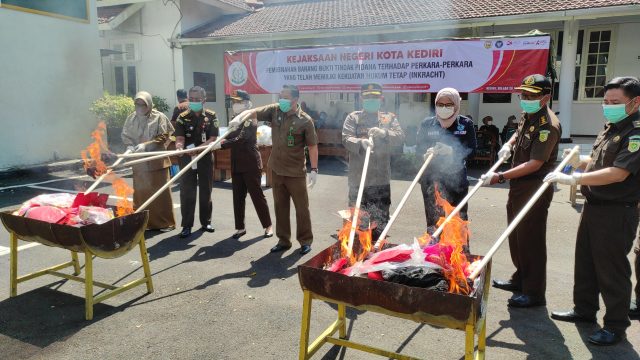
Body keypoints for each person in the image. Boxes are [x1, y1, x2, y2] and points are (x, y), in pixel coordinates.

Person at [546, 76, 640, 345]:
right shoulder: (612, 127)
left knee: (612, 271)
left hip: (616, 212)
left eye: (615, 102)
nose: (608, 106)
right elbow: (599, 161)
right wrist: (575, 162)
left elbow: (618, 173)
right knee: (585, 263)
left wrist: (574, 179)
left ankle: (615, 326)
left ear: (635, 102)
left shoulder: (636, 132)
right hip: (594, 207)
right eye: (606, 101)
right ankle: (584, 311)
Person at [482, 74, 561, 308]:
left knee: (531, 240)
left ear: (545, 98)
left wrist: (500, 176)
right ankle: (520, 280)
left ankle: (534, 293)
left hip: (534, 187)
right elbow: (520, 131)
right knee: (516, 236)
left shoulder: (548, 125)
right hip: (519, 186)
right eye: (523, 95)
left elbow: (535, 164)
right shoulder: (530, 115)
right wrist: (509, 144)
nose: (524, 99)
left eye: (530, 96)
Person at [239, 85, 318, 255]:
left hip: (296, 172)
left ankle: (305, 240)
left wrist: (314, 169)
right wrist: (242, 114)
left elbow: (312, 146)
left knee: (302, 209)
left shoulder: (305, 120)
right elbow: (257, 111)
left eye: (285, 97)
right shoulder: (275, 111)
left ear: (295, 100)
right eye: (280, 96)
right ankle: (283, 240)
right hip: (276, 169)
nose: (281, 99)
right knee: (280, 207)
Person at [341, 83, 405, 241]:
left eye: (374, 97)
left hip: (380, 180)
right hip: (358, 179)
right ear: (362, 98)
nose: (371, 100)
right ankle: (358, 254)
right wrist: (360, 143)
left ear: (381, 98)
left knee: (380, 222)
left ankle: (377, 253)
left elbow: (400, 137)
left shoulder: (388, 118)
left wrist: (384, 133)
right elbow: (346, 138)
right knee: (358, 222)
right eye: (367, 97)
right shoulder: (353, 117)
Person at [416, 88, 476, 229]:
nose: (444, 108)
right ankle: (434, 249)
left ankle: (459, 251)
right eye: (440, 104)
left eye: (448, 104)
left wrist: (452, 151)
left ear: (456, 105)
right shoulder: (427, 124)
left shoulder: (466, 124)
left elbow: (472, 152)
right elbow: (418, 150)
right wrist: (424, 155)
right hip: (431, 180)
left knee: (457, 221)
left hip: (456, 181)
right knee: (434, 221)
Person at [219, 90, 273, 239]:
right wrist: (221, 140)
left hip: (250, 162)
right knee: (237, 196)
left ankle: (268, 226)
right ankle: (240, 227)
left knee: (257, 195)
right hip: (236, 162)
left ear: (246, 103)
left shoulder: (250, 116)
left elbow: (243, 138)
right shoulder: (234, 118)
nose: (235, 104)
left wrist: (222, 145)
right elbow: (228, 135)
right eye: (234, 102)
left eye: (238, 102)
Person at [121, 91, 176, 232]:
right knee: (141, 193)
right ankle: (144, 223)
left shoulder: (159, 117)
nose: (139, 107)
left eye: (143, 104)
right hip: (139, 163)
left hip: (156, 160)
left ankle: (165, 223)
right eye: (137, 104)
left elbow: (163, 136)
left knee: (160, 193)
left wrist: (146, 145)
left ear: (149, 104)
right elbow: (126, 135)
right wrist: (129, 146)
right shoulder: (131, 118)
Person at [174, 86, 219, 238]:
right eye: (191, 99)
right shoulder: (182, 117)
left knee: (206, 189)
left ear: (203, 100)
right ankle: (186, 225)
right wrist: (179, 148)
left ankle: (206, 222)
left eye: (196, 100)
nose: (193, 102)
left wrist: (198, 149)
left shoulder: (212, 116)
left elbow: (213, 139)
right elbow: (179, 138)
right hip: (187, 158)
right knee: (187, 190)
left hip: (205, 157)